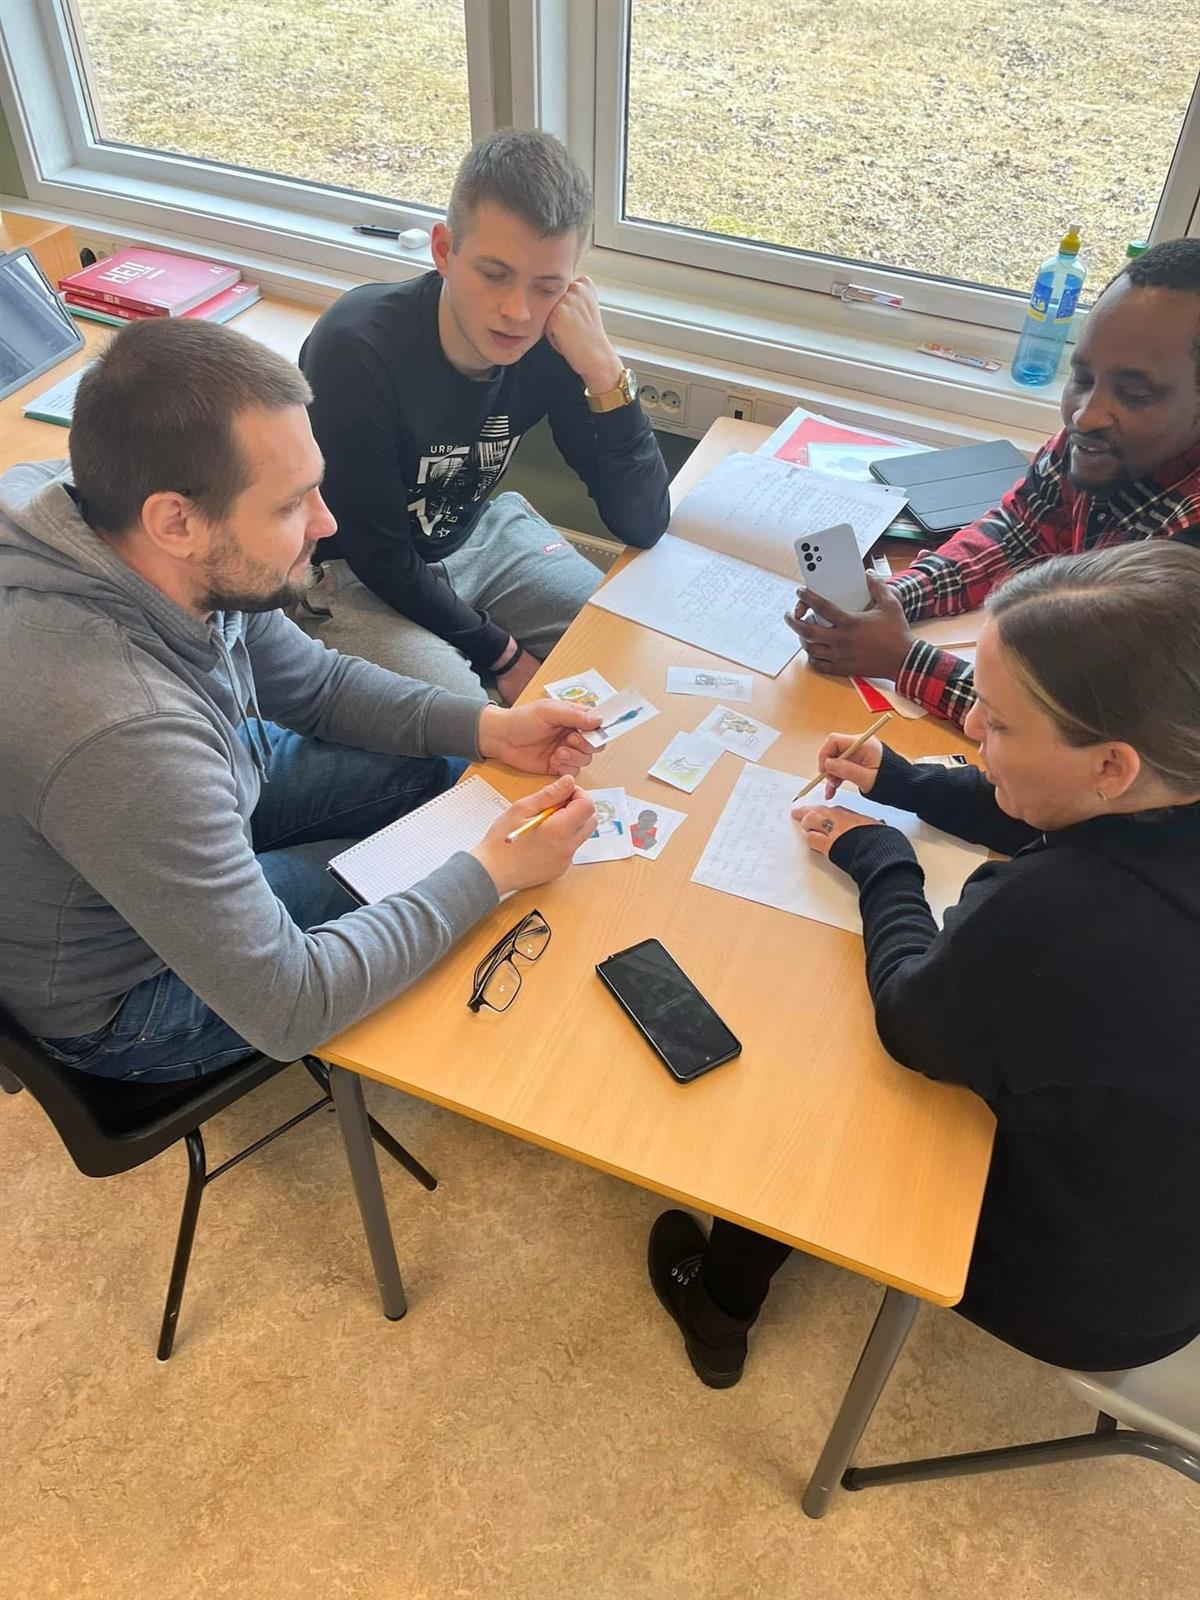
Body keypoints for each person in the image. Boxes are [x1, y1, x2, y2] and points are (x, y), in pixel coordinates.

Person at [649, 542, 1200, 1386]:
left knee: (825, 1057)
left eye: (1000, 724)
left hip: (1089, 1285)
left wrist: (881, 860)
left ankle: (719, 1308)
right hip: (1161, 1211)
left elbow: (910, 1020)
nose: (972, 729)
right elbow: (1083, 813)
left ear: (1110, 765)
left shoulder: (1061, 913)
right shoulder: (1168, 779)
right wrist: (909, 784)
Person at [0, 317, 603, 1083]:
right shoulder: (123, 734)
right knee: (426, 878)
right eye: (291, 505)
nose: (327, 522)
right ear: (175, 521)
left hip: (194, 795)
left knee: (451, 767)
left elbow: (318, 685)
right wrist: (487, 874)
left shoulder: (131, 533)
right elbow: (293, 1005)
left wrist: (491, 726)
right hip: (127, 995)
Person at [298, 128, 671, 703]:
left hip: (478, 540)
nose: (518, 313)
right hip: (358, 574)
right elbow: (380, 556)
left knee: (628, 651)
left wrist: (603, 368)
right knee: (468, 721)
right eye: (494, 274)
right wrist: (502, 654)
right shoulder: (354, 347)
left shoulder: (553, 341)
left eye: (547, 287)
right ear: (444, 250)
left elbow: (642, 523)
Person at [791, 237, 1200, 726]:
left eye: (1133, 394)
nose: (1085, 416)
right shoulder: (1099, 445)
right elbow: (1019, 532)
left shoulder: (1185, 561)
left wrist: (902, 660)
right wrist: (893, 598)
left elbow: (1088, 732)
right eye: (1083, 378)